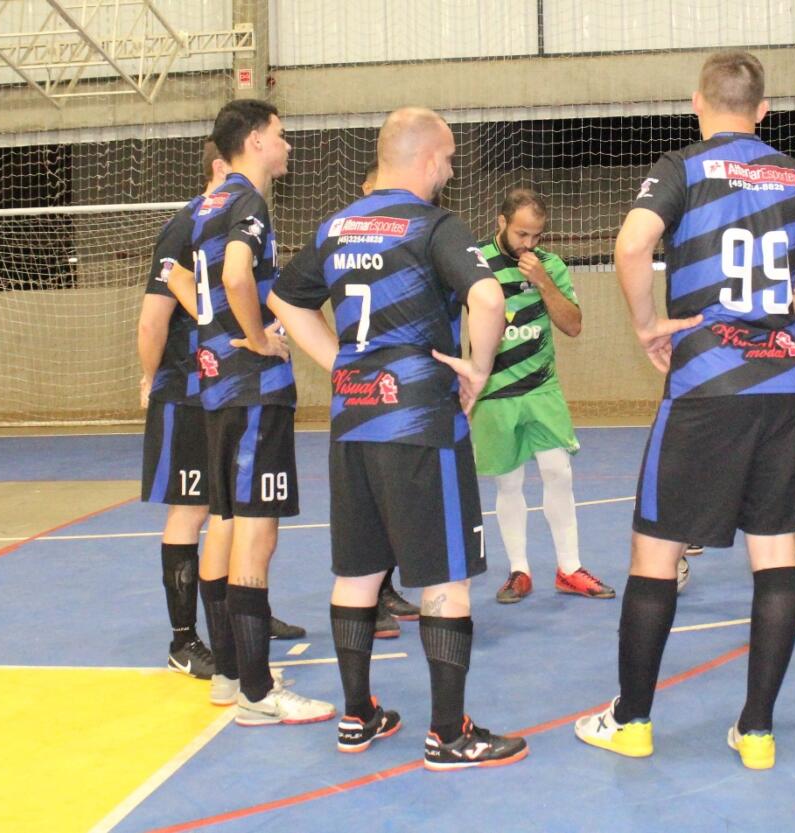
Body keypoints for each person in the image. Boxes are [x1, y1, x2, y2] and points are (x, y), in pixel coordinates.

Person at [573, 51, 795, 770]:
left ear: (698, 102)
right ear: (764, 110)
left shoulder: (683, 167)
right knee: (775, 554)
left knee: (655, 552)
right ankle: (757, 730)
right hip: (784, 384)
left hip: (707, 383)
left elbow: (632, 244)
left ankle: (632, 720)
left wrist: (646, 323)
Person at [269, 107, 528, 770]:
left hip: (354, 420)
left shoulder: (336, 227)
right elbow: (488, 299)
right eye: (448, 159)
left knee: (358, 572)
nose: (450, 172)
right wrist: (477, 368)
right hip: (420, 422)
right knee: (445, 577)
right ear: (426, 157)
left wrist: (339, 363)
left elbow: (286, 299)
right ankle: (448, 734)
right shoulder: (432, 225)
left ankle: (357, 714)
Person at [176, 99, 334, 726]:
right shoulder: (247, 201)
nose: (288, 144)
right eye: (281, 134)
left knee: (227, 523)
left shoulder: (205, 204)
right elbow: (238, 276)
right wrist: (259, 337)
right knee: (256, 534)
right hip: (251, 388)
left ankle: (230, 674)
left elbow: (195, 280)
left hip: (216, 385)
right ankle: (257, 693)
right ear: (255, 140)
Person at [140, 140, 304, 683]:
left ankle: (240, 621)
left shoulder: (219, 217)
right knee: (202, 511)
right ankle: (188, 640)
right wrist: (151, 376)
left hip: (215, 380)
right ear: (223, 163)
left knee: (231, 513)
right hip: (198, 385)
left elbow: (208, 285)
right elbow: (158, 310)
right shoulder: (197, 217)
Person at [472, 186, 614, 603]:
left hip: (542, 387)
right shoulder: (474, 264)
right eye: (521, 234)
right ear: (501, 222)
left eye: (537, 236)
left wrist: (543, 282)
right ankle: (519, 571)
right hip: (494, 392)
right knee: (508, 482)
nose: (529, 244)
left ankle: (569, 568)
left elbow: (573, 325)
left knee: (558, 473)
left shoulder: (550, 265)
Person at [357, 160, 422, 634]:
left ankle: (384, 587)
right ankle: (369, 600)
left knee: (398, 500)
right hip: (372, 392)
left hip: (406, 386)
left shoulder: (412, 233)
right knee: (373, 503)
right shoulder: (354, 240)